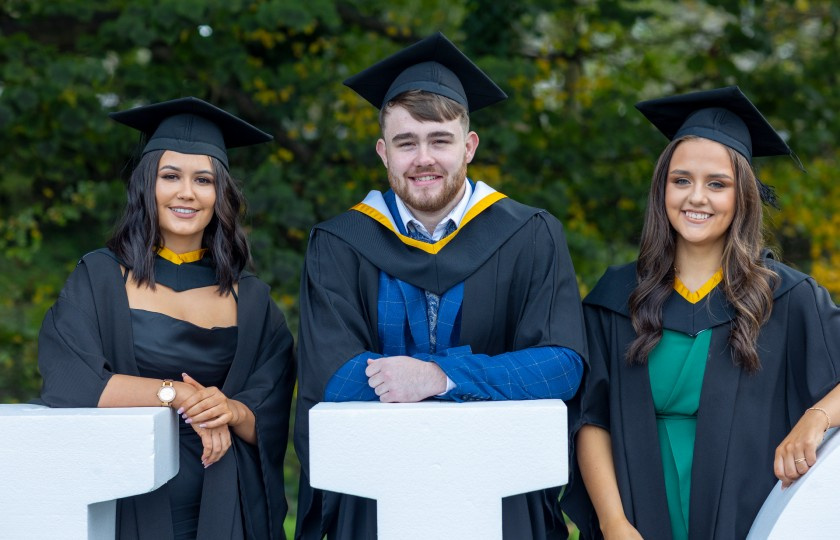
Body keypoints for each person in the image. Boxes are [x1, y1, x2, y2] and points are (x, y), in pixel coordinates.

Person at [293, 32, 587, 540]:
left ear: (469, 146)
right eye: (406, 143)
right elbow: (331, 380)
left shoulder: (530, 234)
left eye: (439, 140)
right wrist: (488, 380)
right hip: (374, 496)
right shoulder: (340, 243)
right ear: (384, 153)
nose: (423, 158)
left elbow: (559, 366)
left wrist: (438, 376)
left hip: (503, 492)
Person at [564, 86, 840, 540]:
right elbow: (591, 421)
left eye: (717, 184)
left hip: (749, 520)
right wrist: (614, 523)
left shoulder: (786, 297)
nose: (696, 197)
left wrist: (817, 418)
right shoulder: (616, 298)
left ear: (742, 197)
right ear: (662, 189)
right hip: (636, 518)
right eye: (681, 180)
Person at [37, 97, 296, 539]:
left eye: (203, 180)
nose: (187, 193)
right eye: (170, 176)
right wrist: (174, 393)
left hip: (226, 506)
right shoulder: (100, 279)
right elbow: (72, 381)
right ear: (146, 185)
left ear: (220, 195)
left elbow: (269, 414)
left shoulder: (252, 302)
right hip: (126, 502)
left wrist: (229, 408)